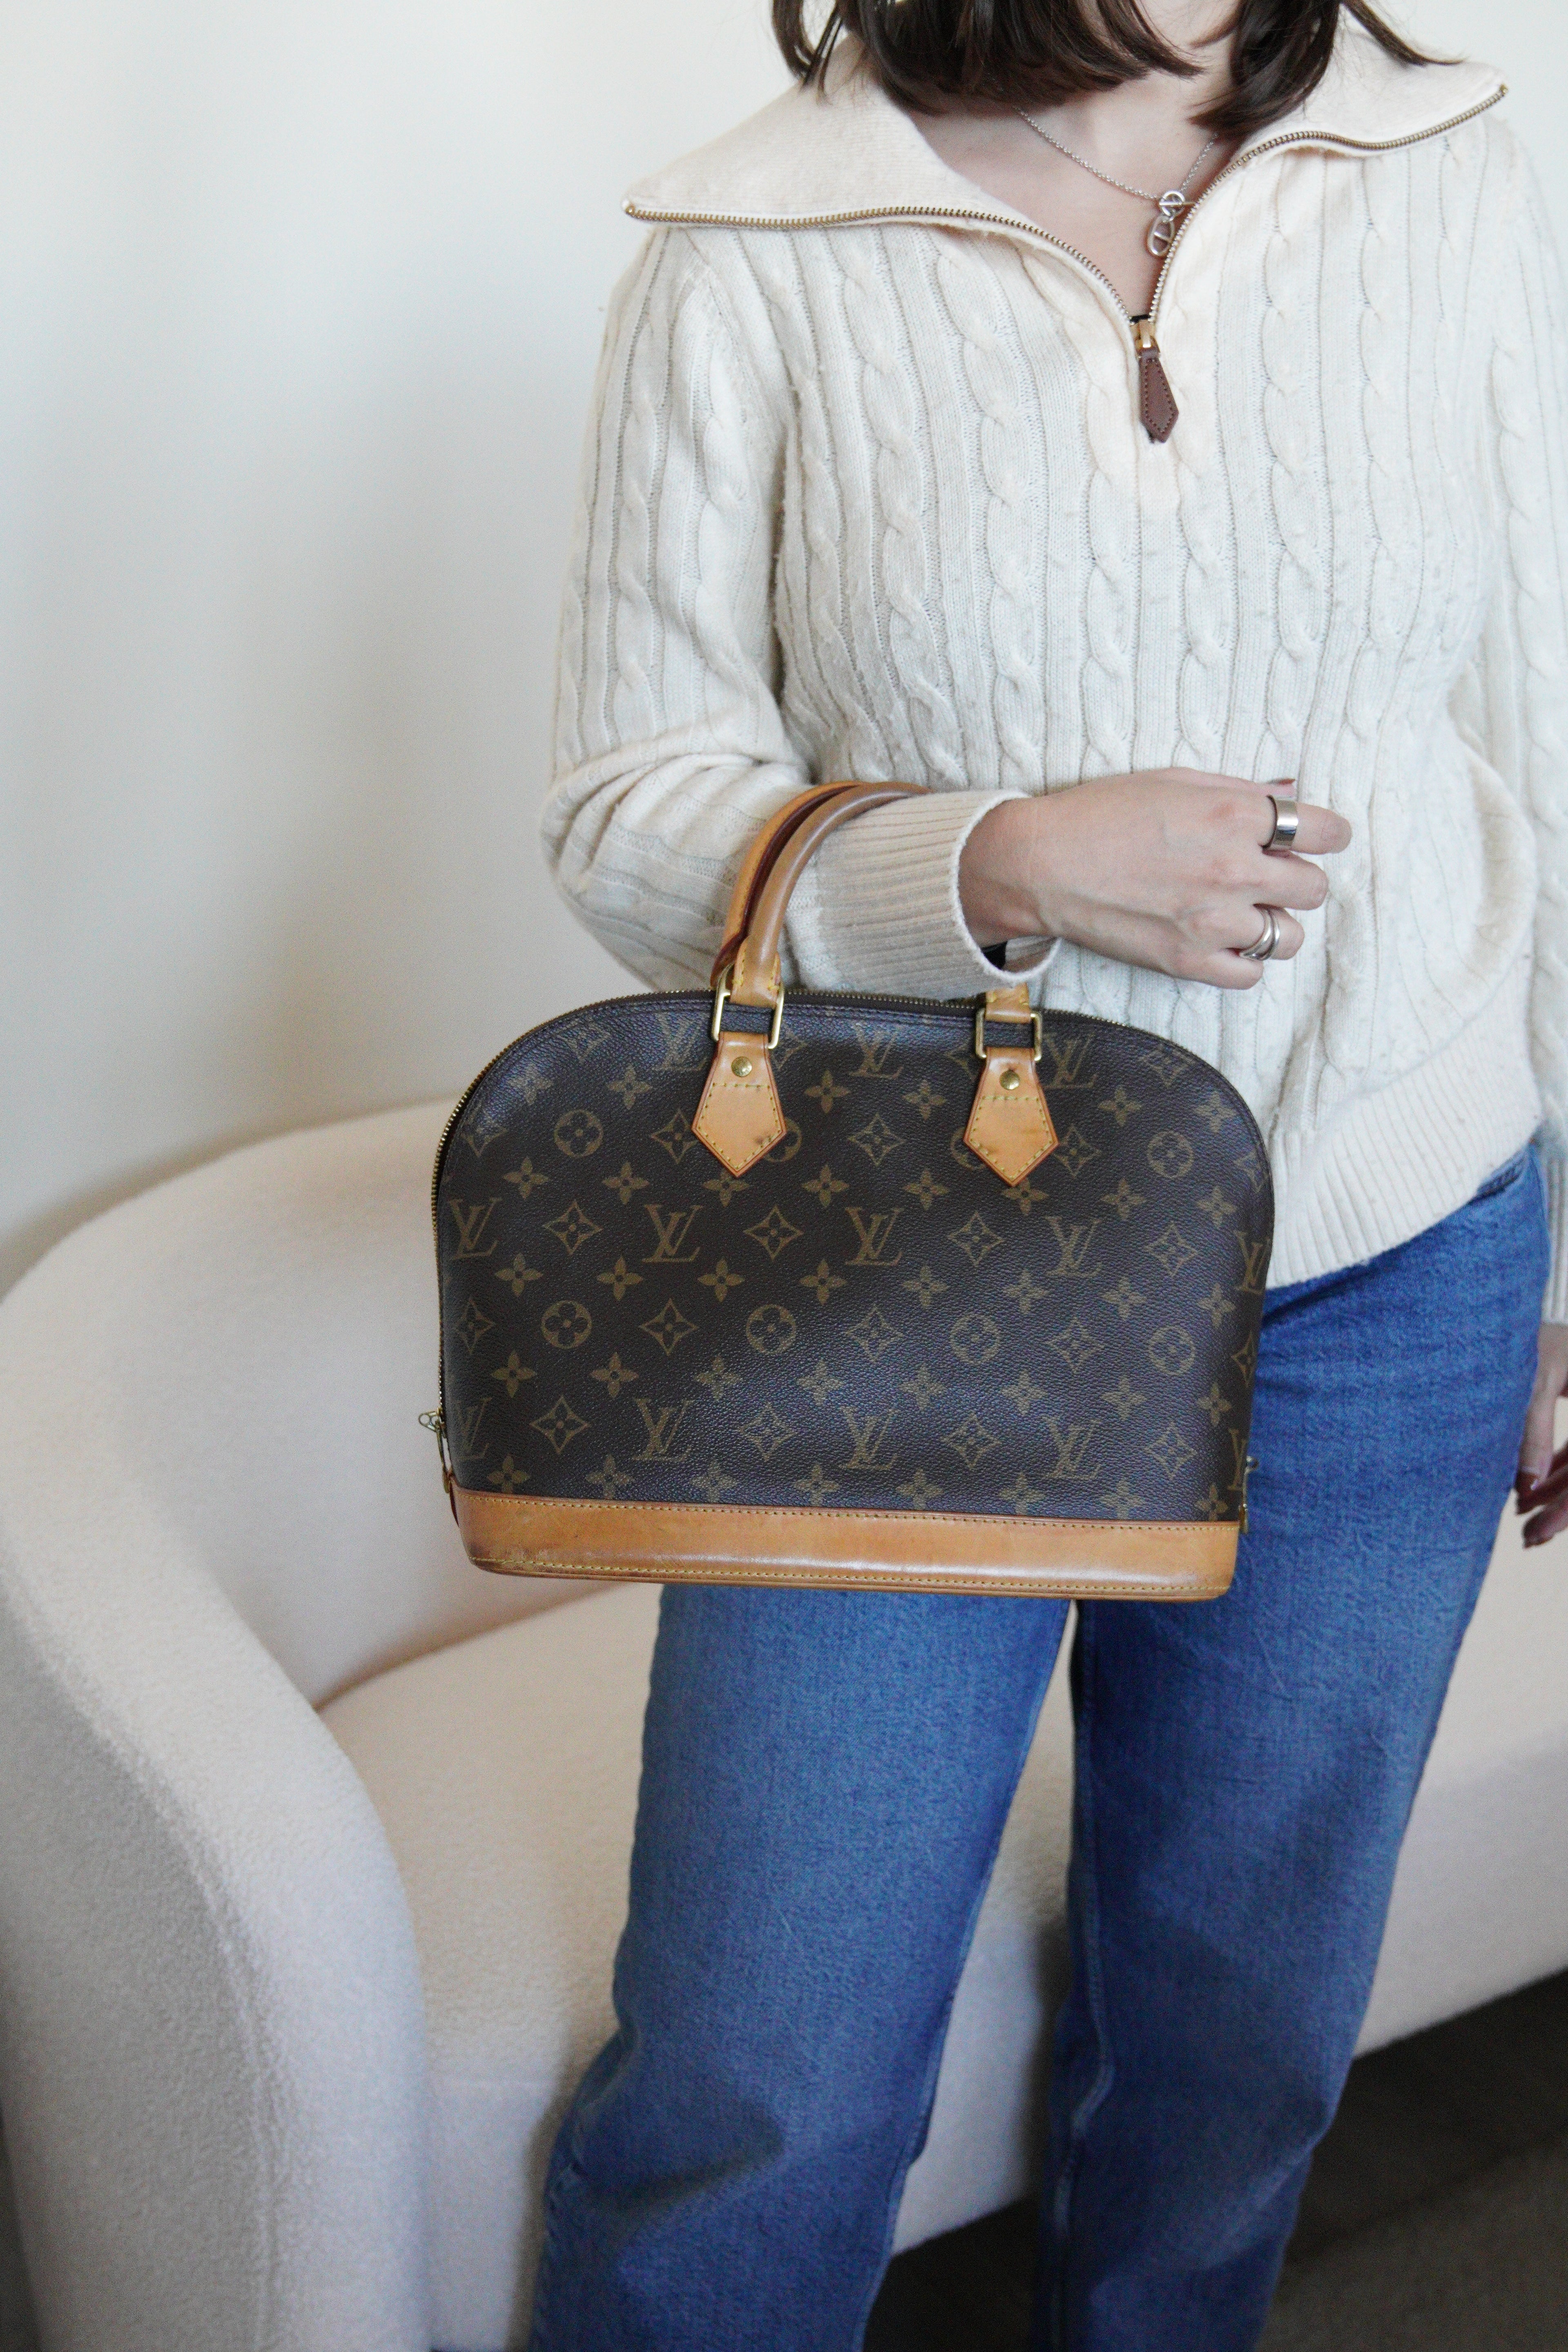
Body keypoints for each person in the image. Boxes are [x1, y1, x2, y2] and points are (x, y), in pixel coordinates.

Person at [531, 3, 1568, 2343]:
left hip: (1397, 1258)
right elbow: (621, 809)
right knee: (758, 2088)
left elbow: (1542, 713)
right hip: (913, 1275)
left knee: (1236, 2049)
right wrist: (991, 861)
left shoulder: (1442, 166)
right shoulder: (752, 239)